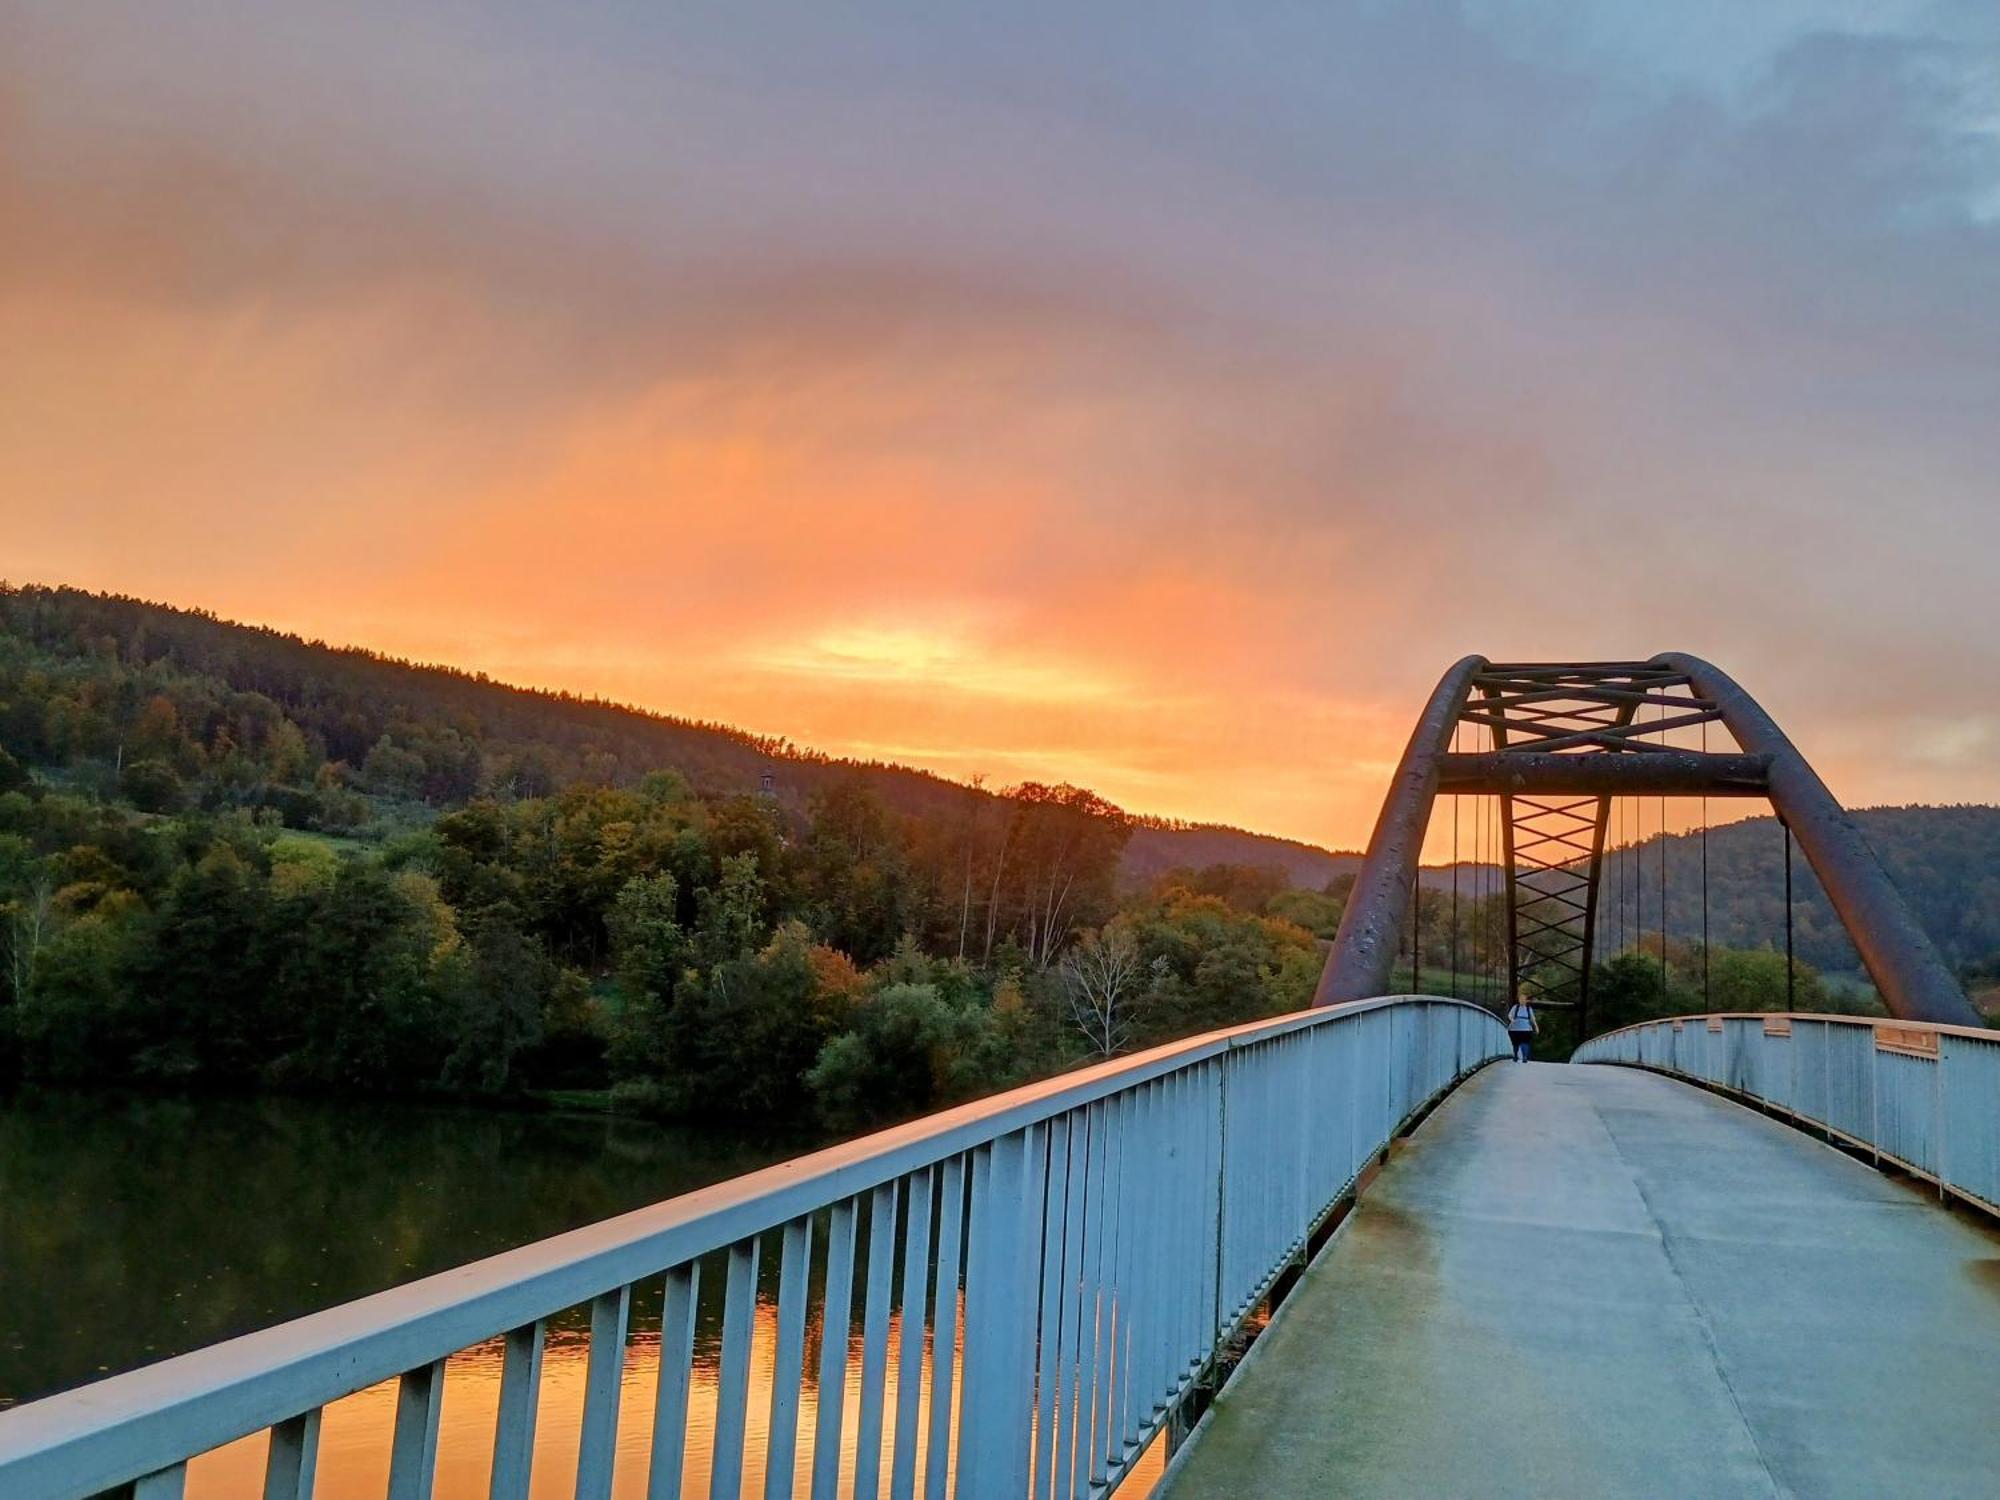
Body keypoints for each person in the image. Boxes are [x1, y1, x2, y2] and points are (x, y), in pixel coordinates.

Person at [1506, 990, 1538, 1062]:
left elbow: (1532, 1019)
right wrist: (1512, 1020)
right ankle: (1516, 1055)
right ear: (1519, 1000)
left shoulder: (1529, 1009)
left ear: (1526, 1001)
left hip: (1526, 1029)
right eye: (1521, 999)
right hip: (1515, 1028)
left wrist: (1536, 1027)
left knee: (1525, 1042)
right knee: (1515, 1043)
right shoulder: (1515, 1007)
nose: (1522, 1001)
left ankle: (1524, 1057)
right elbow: (1510, 1015)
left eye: (1524, 999)